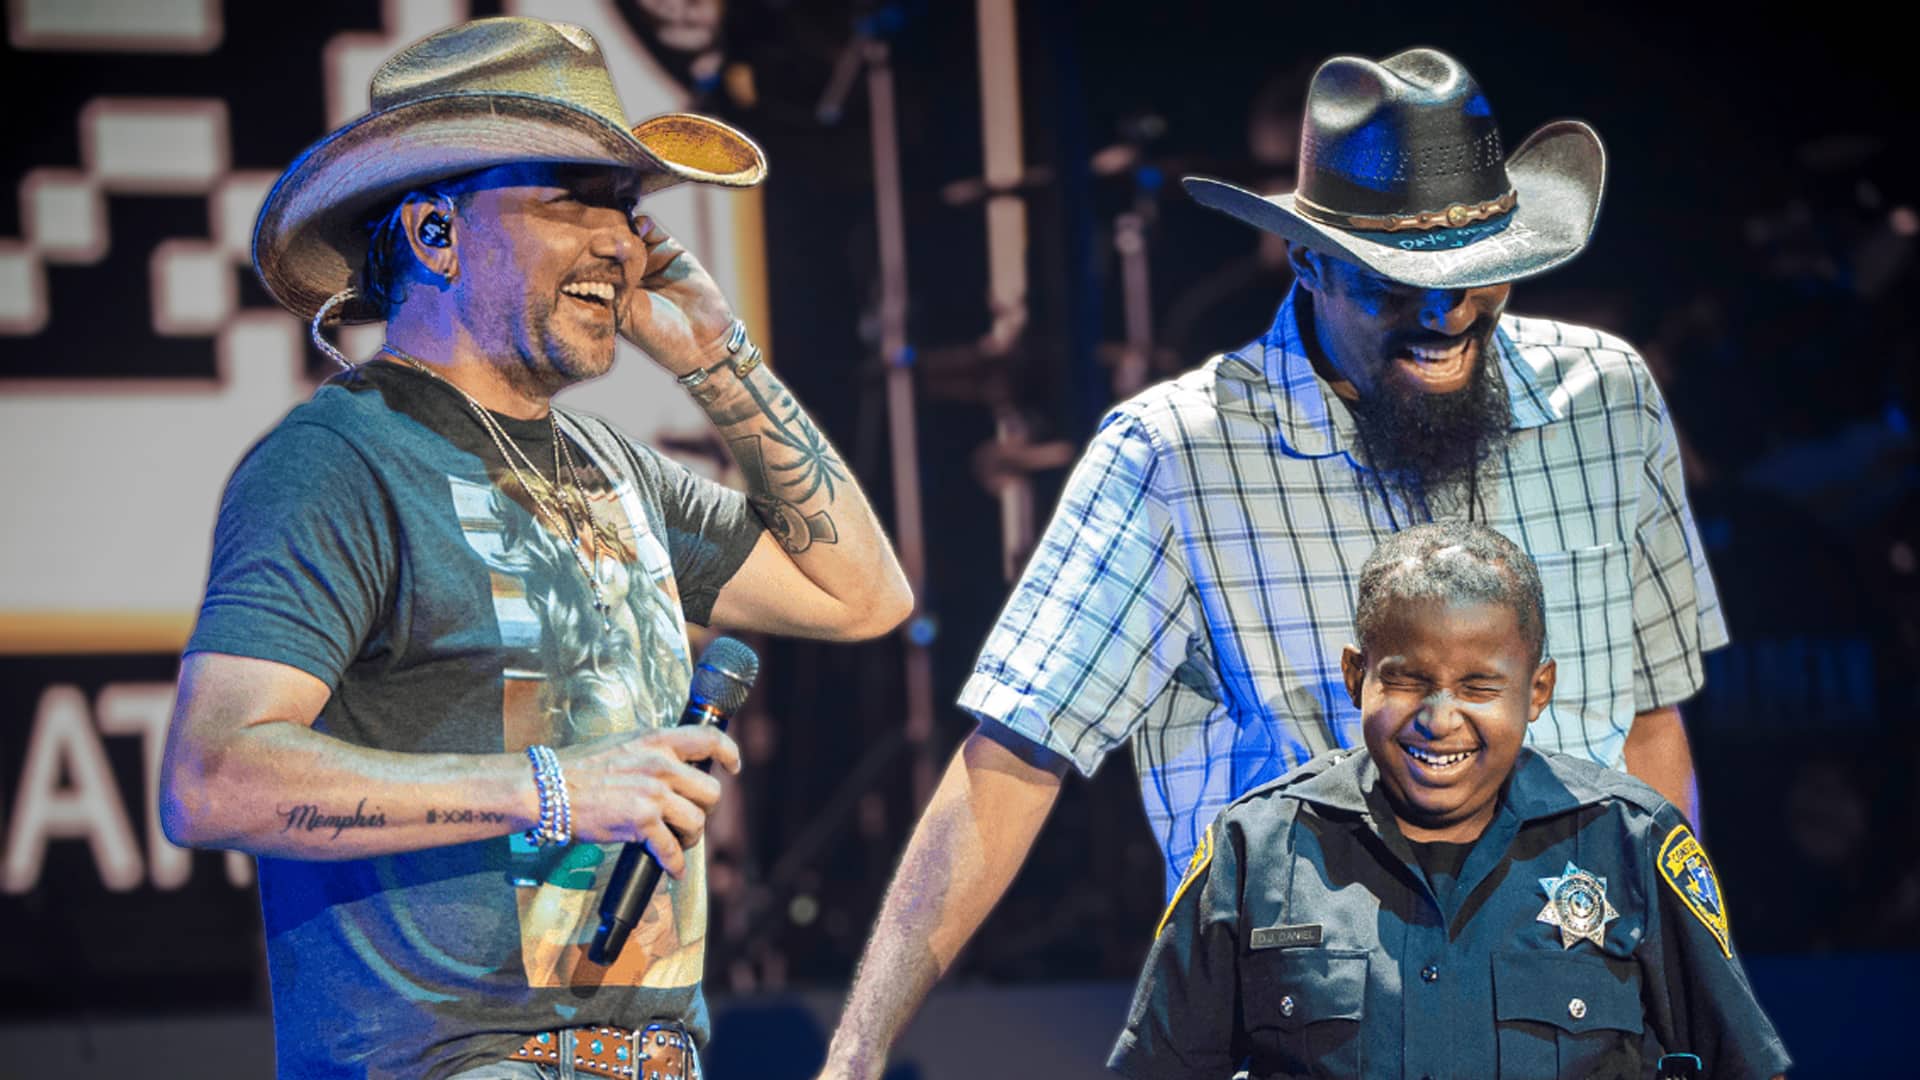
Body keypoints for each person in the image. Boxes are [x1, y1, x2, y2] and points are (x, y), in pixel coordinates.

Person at [821, 48, 1724, 1078]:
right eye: (1400, 279)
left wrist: (1700, 1010)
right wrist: (855, 1054)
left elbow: (1650, 722)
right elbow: (1015, 760)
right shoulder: (1177, 456)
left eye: (1476, 270)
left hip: (1586, 1037)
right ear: (1306, 259)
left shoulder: (1608, 402)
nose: (1447, 311)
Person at [156, 17, 911, 1080]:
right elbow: (211, 777)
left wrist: (718, 358)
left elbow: (864, 597)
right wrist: (552, 787)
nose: (623, 244)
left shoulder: (619, 470)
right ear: (436, 233)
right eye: (572, 198)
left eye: (627, 207)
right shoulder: (340, 462)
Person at [1110, 522, 1787, 1079]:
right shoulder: (1256, 848)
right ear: (1356, 676)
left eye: (1478, 687)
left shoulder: (1630, 839)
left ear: (1538, 690)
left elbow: (1743, 1067)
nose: (1439, 719)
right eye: (1407, 681)